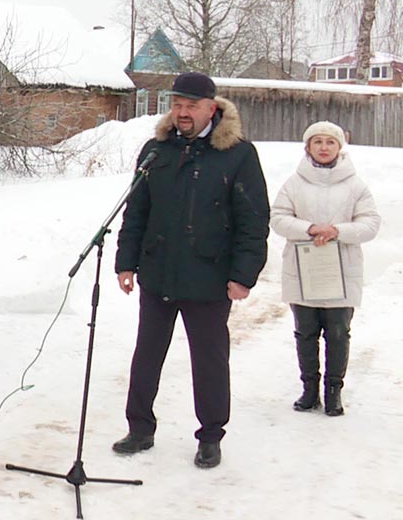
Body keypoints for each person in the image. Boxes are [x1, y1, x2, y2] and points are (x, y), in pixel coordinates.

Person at [111, 72, 270, 470]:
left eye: (191, 106)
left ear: (211, 109)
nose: (183, 113)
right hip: (159, 271)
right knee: (147, 353)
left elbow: (253, 221)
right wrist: (126, 261)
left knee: (210, 359)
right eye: (178, 105)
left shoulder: (237, 154)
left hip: (210, 276)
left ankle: (211, 436)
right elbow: (137, 210)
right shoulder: (156, 150)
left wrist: (243, 274)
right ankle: (140, 428)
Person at [270, 121, 380, 416]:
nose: (323, 147)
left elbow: (370, 224)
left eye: (330, 142)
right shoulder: (294, 183)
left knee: (338, 333)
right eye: (317, 142)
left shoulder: (355, 185)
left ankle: (334, 391)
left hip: (341, 274)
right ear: (308, 147)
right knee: (305, 333)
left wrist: (336, 231)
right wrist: (309, 228)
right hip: (304, 272)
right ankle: (309, 390)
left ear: (339, 147)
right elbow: (278, 218)